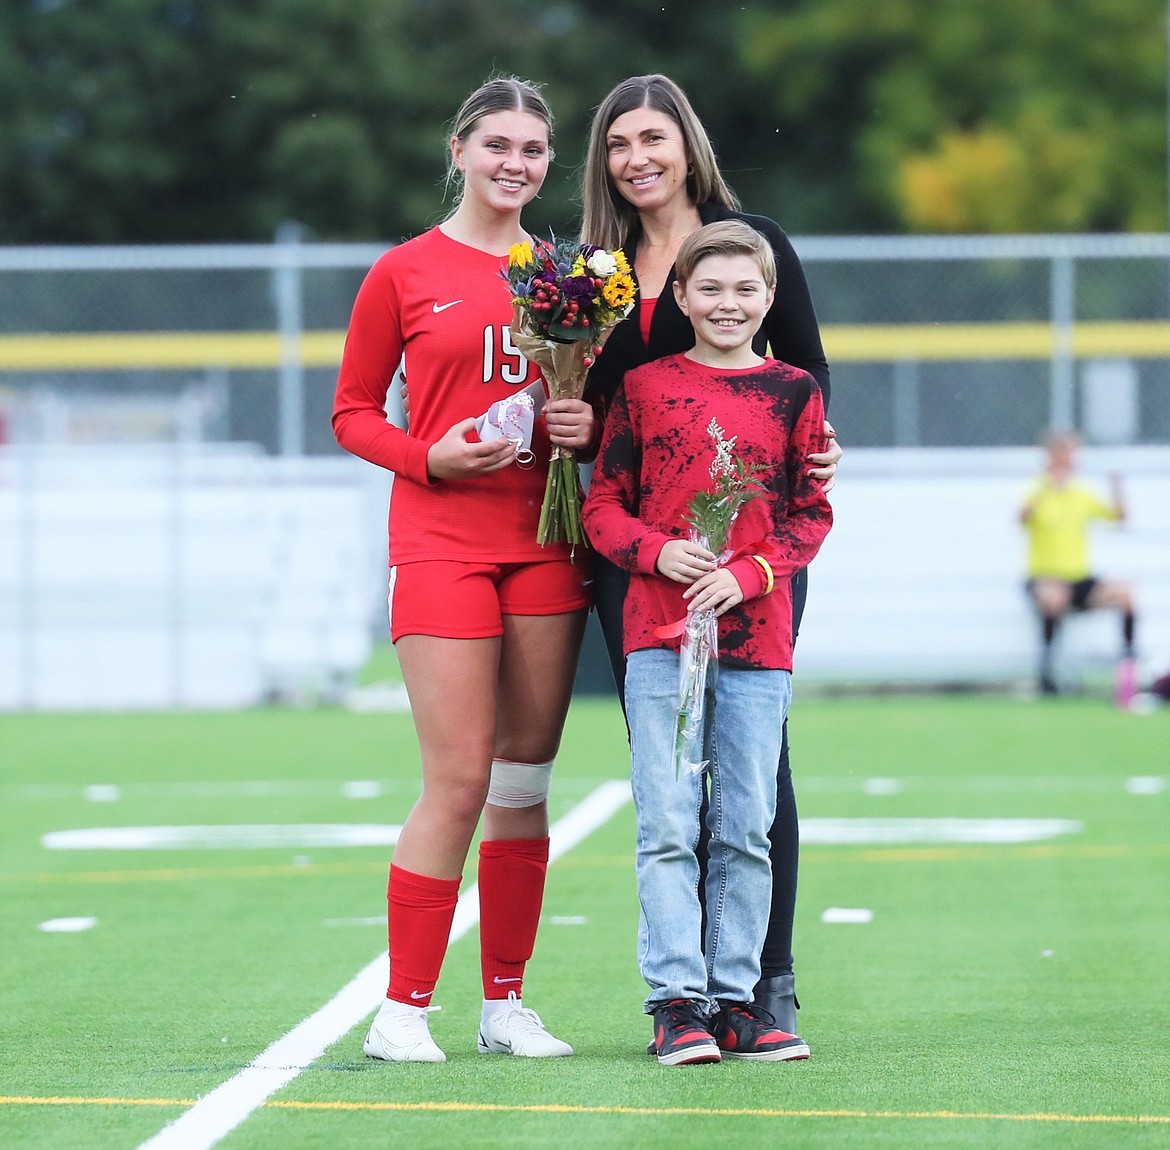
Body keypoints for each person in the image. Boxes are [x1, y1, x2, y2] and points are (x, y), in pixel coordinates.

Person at [332, 77, 594, 1063]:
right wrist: (428, 457)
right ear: (459, 150)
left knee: (524, 780)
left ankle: (506, 1003)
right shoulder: (403, 271)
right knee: (456, 774)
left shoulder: (572, 272)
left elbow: (591, 402)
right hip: (440, 540)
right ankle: (402, 1006)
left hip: (545, 540)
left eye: (532, 149)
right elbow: (353, 410)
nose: (515, 164)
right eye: (498, 145)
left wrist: (584, 422)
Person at [580, 73, 839, 1050]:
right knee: (667, 774)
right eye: (616, 144)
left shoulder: (753, 241)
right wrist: (571, 417)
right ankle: (678, 997)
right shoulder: (593, 264)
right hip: (646, 556)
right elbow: (606, 410)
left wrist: (819, 447)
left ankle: (759, 986)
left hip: (754, 552)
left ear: (687, 142)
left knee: (755, 770)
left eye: (653, 138)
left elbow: (807, 369)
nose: (637, 158)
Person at [1020, 430, 1137, 702]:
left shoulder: (1081, 494)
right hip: (1044, 577)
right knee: (1053, 596)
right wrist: (1048, 486)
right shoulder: (1037, 489)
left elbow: (1120, 517)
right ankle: (1047, 674)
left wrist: (1116, 486)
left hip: (1080, 579)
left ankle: (1128, 671)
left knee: (1125, 595)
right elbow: (1022, 518)